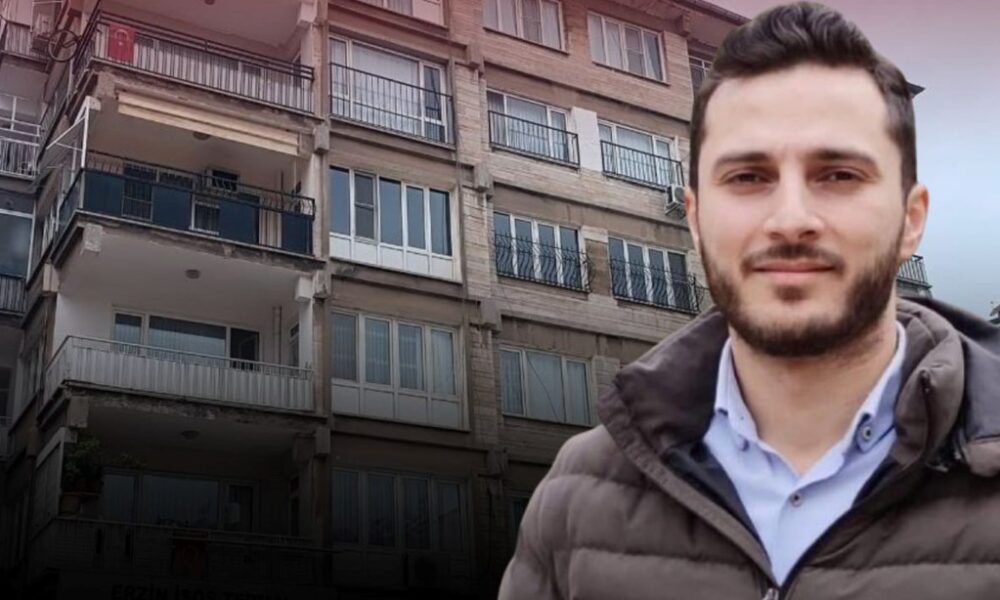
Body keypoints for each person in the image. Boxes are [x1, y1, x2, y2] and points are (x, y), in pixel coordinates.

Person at [499, 2, 1000, 598]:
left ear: (911, 220)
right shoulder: (577, 496)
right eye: (748, 177)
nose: (790, 219)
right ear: (695, 218)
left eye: (839, 175)